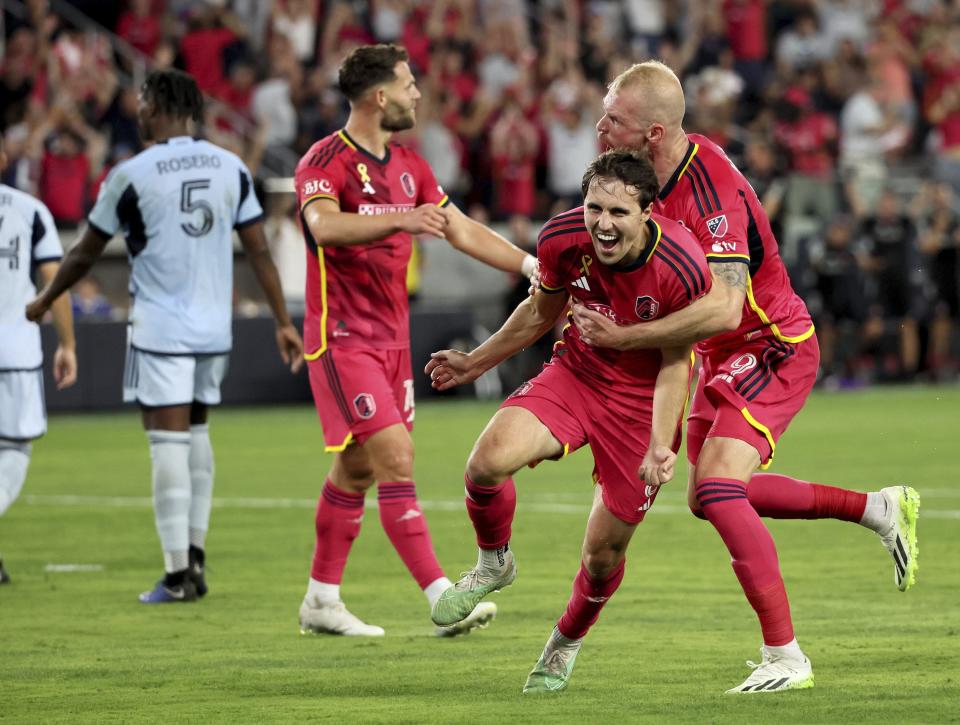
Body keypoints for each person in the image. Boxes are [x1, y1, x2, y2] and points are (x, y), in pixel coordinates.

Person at [572, 60, 920, 693]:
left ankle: (787, 656)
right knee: (710, 497)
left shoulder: (708, 189)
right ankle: (878, 508)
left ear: (652, 134)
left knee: (722, 487)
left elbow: (727, 305)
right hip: (719, 355)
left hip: (771, 343)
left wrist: (626, 338)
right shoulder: (654, 176)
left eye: (614, 119)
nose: (600, 128)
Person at [425, 150, 709, 692]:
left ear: (647, 212)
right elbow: (539, 312)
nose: (603, 223)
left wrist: (657, 446)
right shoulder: (561, 238)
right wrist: (474, 362)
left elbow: (677, 362)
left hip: (641, 404)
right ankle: (493, 563)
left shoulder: (681, 266)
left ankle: (565, 642)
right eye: (594, 207)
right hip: (578, 374)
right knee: (486, 463)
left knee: (602, 558)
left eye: (619, 213)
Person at [26, 69, 304, 604]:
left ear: (156, 105)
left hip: (160, 327)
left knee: (167, 440)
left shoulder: (132, 172)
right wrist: (283, 322)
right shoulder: (229, 166)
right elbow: (259, 251)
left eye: (142, 101)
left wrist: (43, 299)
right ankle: (195, 556)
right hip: (212, 329)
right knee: (197, 435)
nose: (138, 110)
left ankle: (177, 575)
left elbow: (85, 250)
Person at [294, 44, 539, 638]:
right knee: (397, 457)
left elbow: (457, 228)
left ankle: (321, 600)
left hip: (392, 342)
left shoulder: (409, 165)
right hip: (342, 337)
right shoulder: (324, 160)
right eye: (408, 85)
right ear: (380, 96)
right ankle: (442, 596)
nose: (418, 95)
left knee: (357, 470)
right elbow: (323, 227)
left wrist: (530, 265)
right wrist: (400, 219)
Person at [0, 135, 78, 584]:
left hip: (15, 349)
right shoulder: (29, 211)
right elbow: (54, 282)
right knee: (14, 450)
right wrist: (66, 344)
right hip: (13, 350)